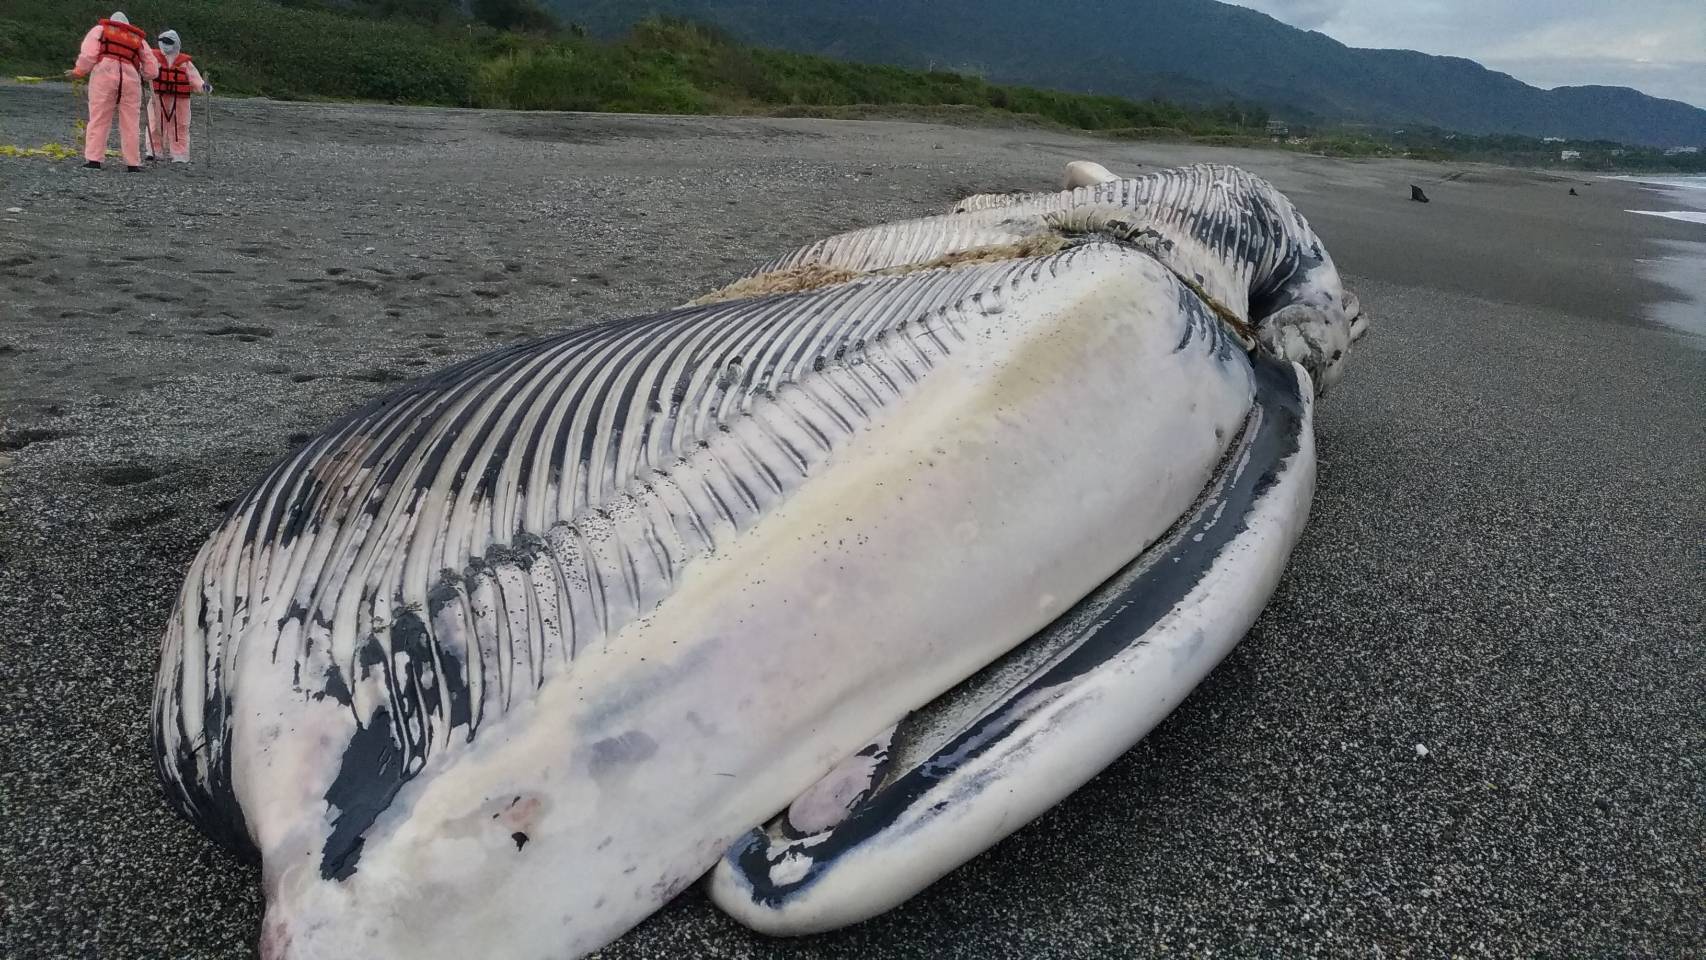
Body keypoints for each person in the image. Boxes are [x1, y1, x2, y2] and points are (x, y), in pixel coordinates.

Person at [68, 11, 158, 171]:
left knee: (99, 117)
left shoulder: (100, 30)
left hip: (104, 74)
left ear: (112, 21)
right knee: (131, 122)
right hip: (130, 78)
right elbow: (152, 69)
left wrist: (79, 71)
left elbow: (88, 55)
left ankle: (94, 160)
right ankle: (132, 163)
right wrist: (143, 74)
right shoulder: (138, 39)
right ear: (128, 25)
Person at [146, 30, 211, 163]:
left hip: (180, 100)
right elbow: (147, 70)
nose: (165, 45)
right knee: (155, 123)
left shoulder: (184, 63)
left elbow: (194, 78)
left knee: (180, 125)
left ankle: (179, 153)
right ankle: (153, 150)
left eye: (168, 42)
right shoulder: (155, 58)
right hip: (158, 97)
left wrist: (204, 87)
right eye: (163, 42)